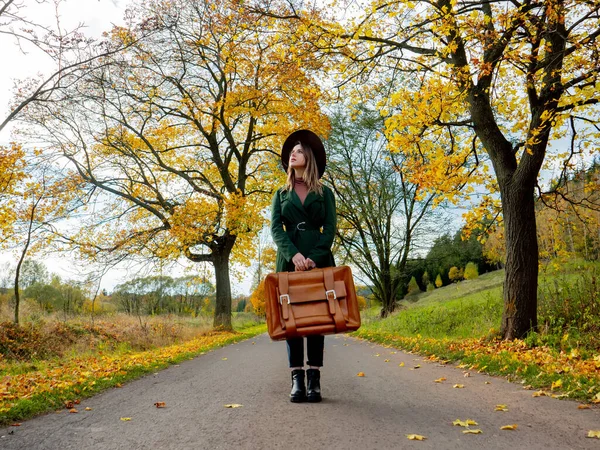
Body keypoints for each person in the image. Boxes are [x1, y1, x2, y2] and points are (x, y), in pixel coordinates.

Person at [270, 129, 337, 403]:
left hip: (318, 261)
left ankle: (315, 379)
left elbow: (330, 228)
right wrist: (294, 254)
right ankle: (297, 378)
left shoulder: (325, 192)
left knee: (317, 317)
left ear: (307, 157)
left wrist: (314, 256)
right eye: (291, 152)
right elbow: (276, 228)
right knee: (292, 318)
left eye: (297, 151)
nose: (292, 154)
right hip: (288, 262)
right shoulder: (280, 193)